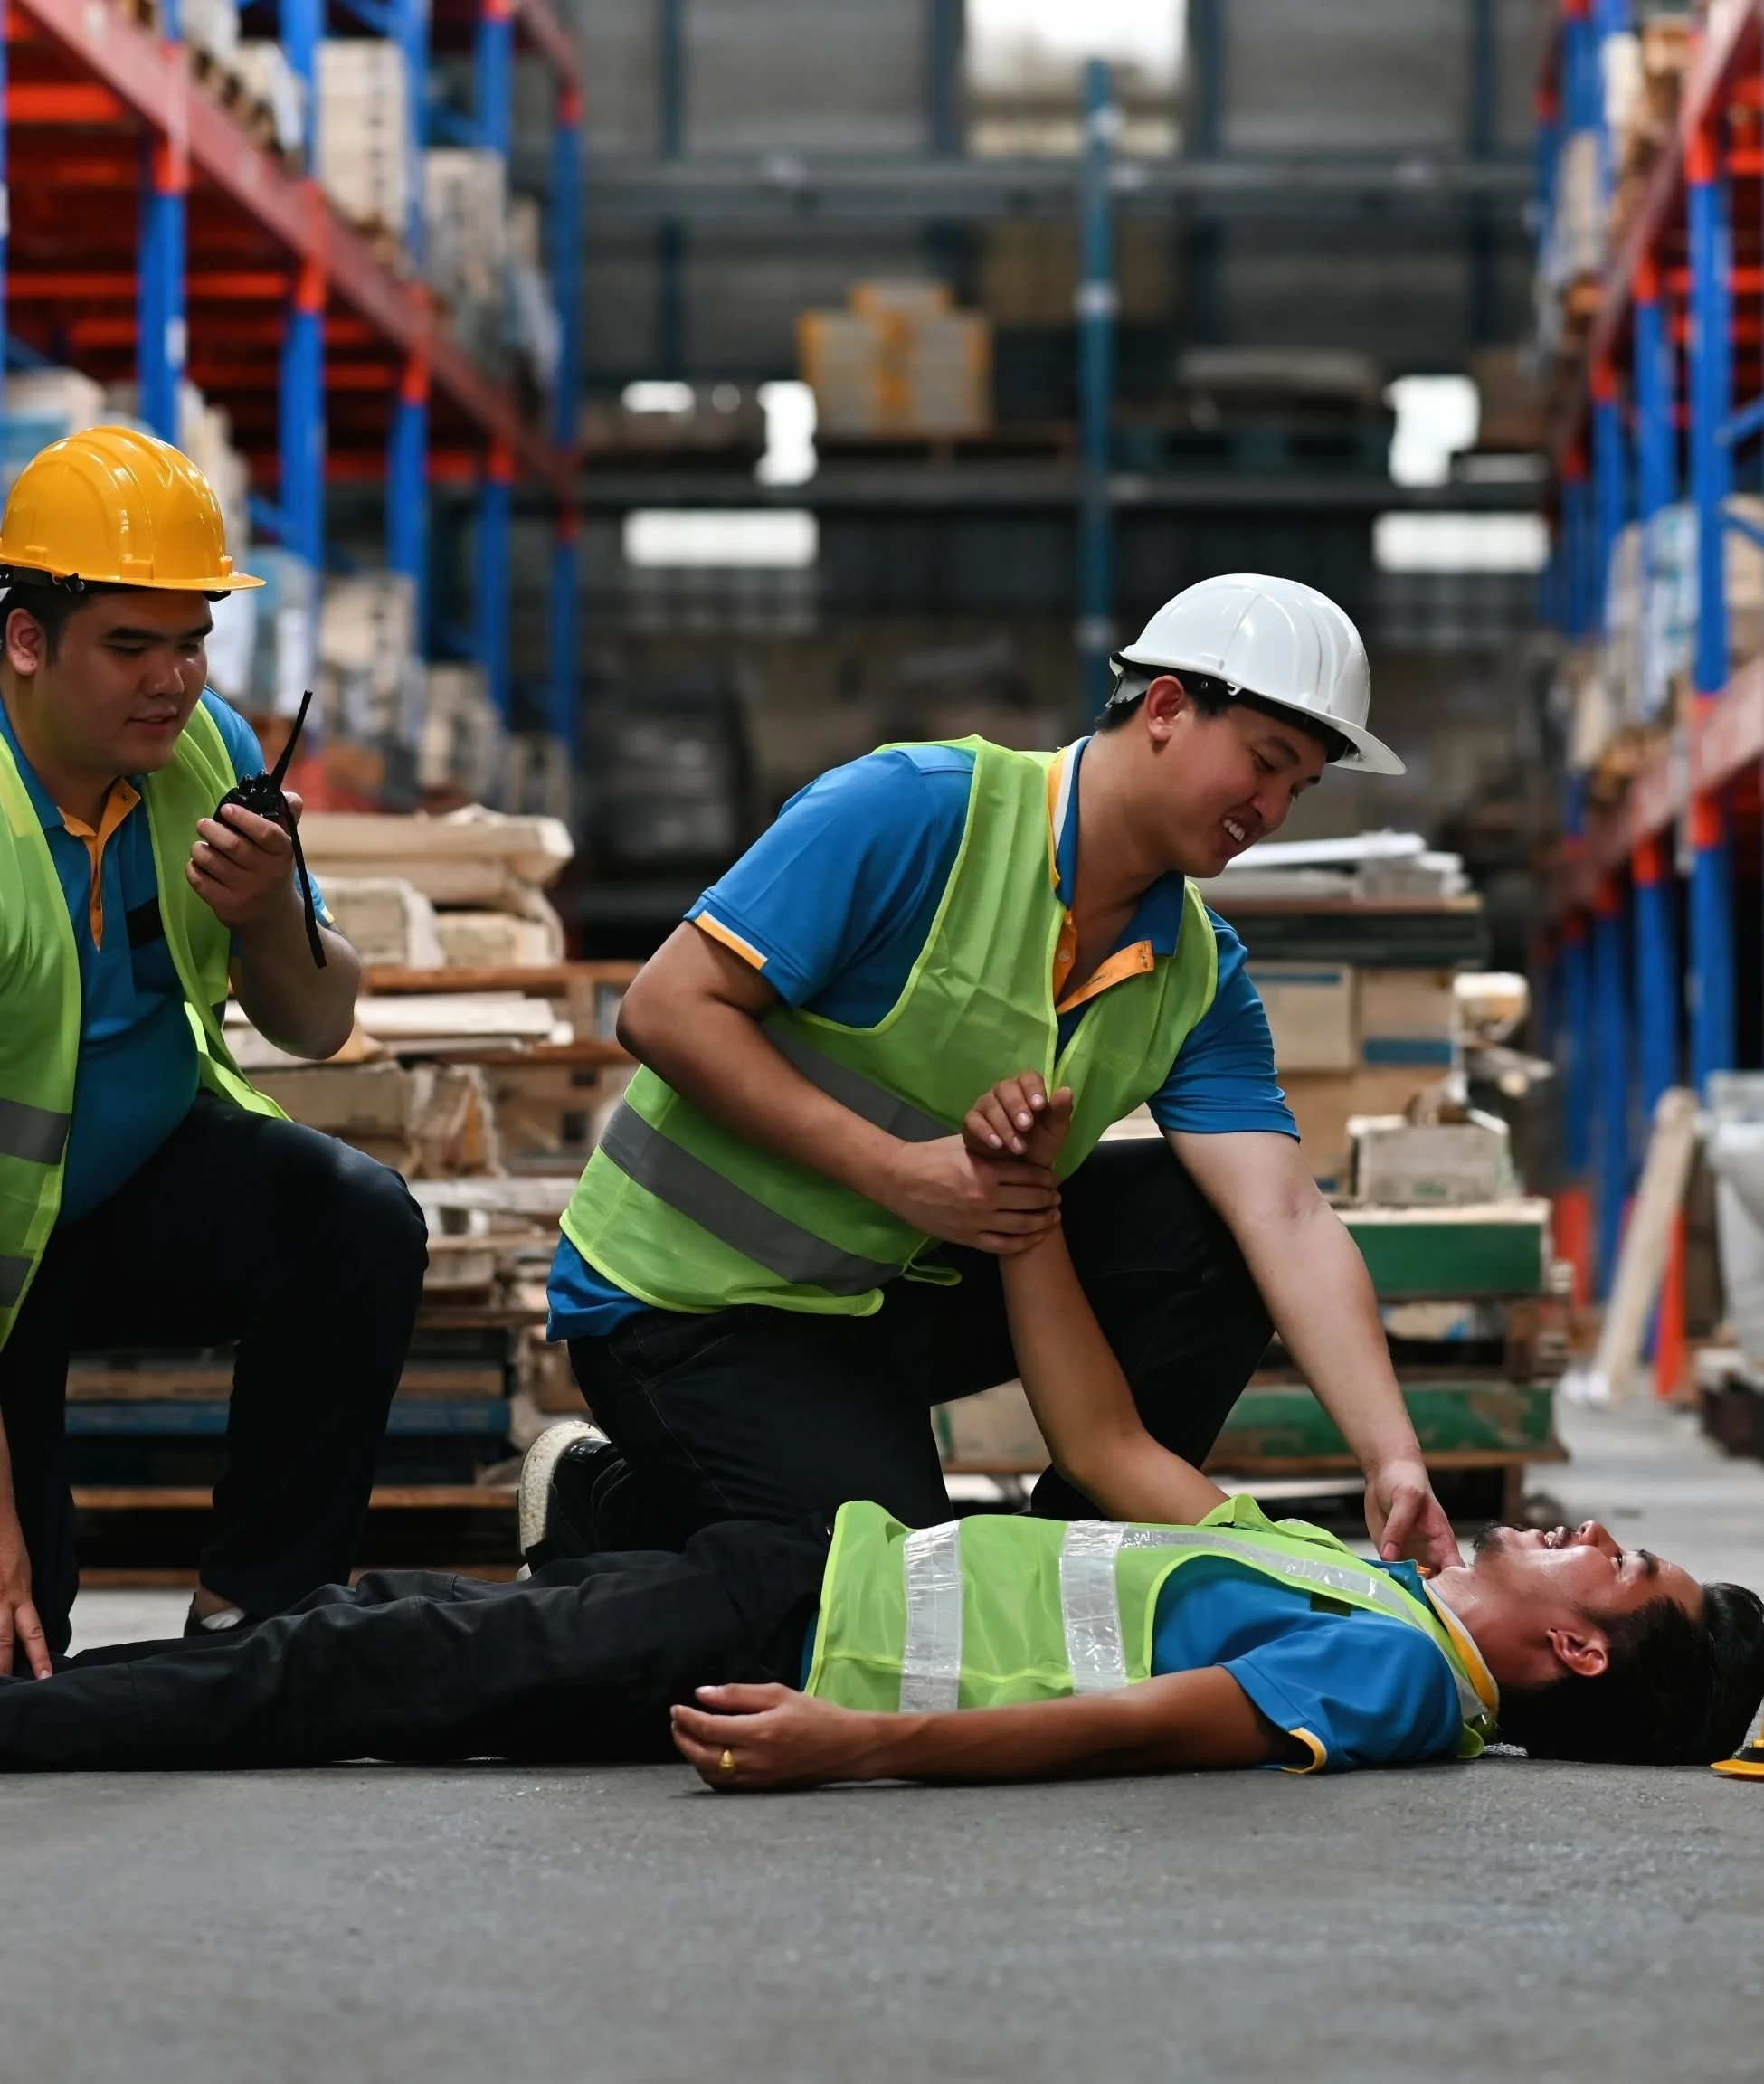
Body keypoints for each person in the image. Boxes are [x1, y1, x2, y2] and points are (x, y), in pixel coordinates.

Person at [1, 1103, 1758, 1778]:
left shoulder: (1399, 1689)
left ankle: (31, 1733)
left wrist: (864, 1748)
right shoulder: (1360, 1582)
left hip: (806, 1638)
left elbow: (1139, 1726)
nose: (1586, 1531)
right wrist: (1031, 1209)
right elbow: (1104, 1444)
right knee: (410, 1649)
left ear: (1583, 1645)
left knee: (378, 1680)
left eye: (1619, 1558)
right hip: (831, 1569)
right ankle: (602, 1508)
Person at [536, 572, 1463, 1577]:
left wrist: (1393, 1457)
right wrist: (895, 1172)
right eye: (1266, 762)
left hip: (891, 1294)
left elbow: (1287, 1219)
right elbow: (664, 1008)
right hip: (689, 1306)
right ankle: (609, 1505)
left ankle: (1075, 1572)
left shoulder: (1197, 973)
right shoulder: (916, 813)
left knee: (1210, 1232)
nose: (1274, 809)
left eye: (1301, 788)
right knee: (873, 1601)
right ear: (1163, 708)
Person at [0, 425, 428, 1674]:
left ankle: (260, 1621)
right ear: (24, 639)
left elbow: (316, 1020)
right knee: (27, 1655)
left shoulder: (212, 754)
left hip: (127, 1189)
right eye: (130, 646)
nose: (171, 682)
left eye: (190, 643)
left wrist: (267, 914)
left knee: (354, 1223)